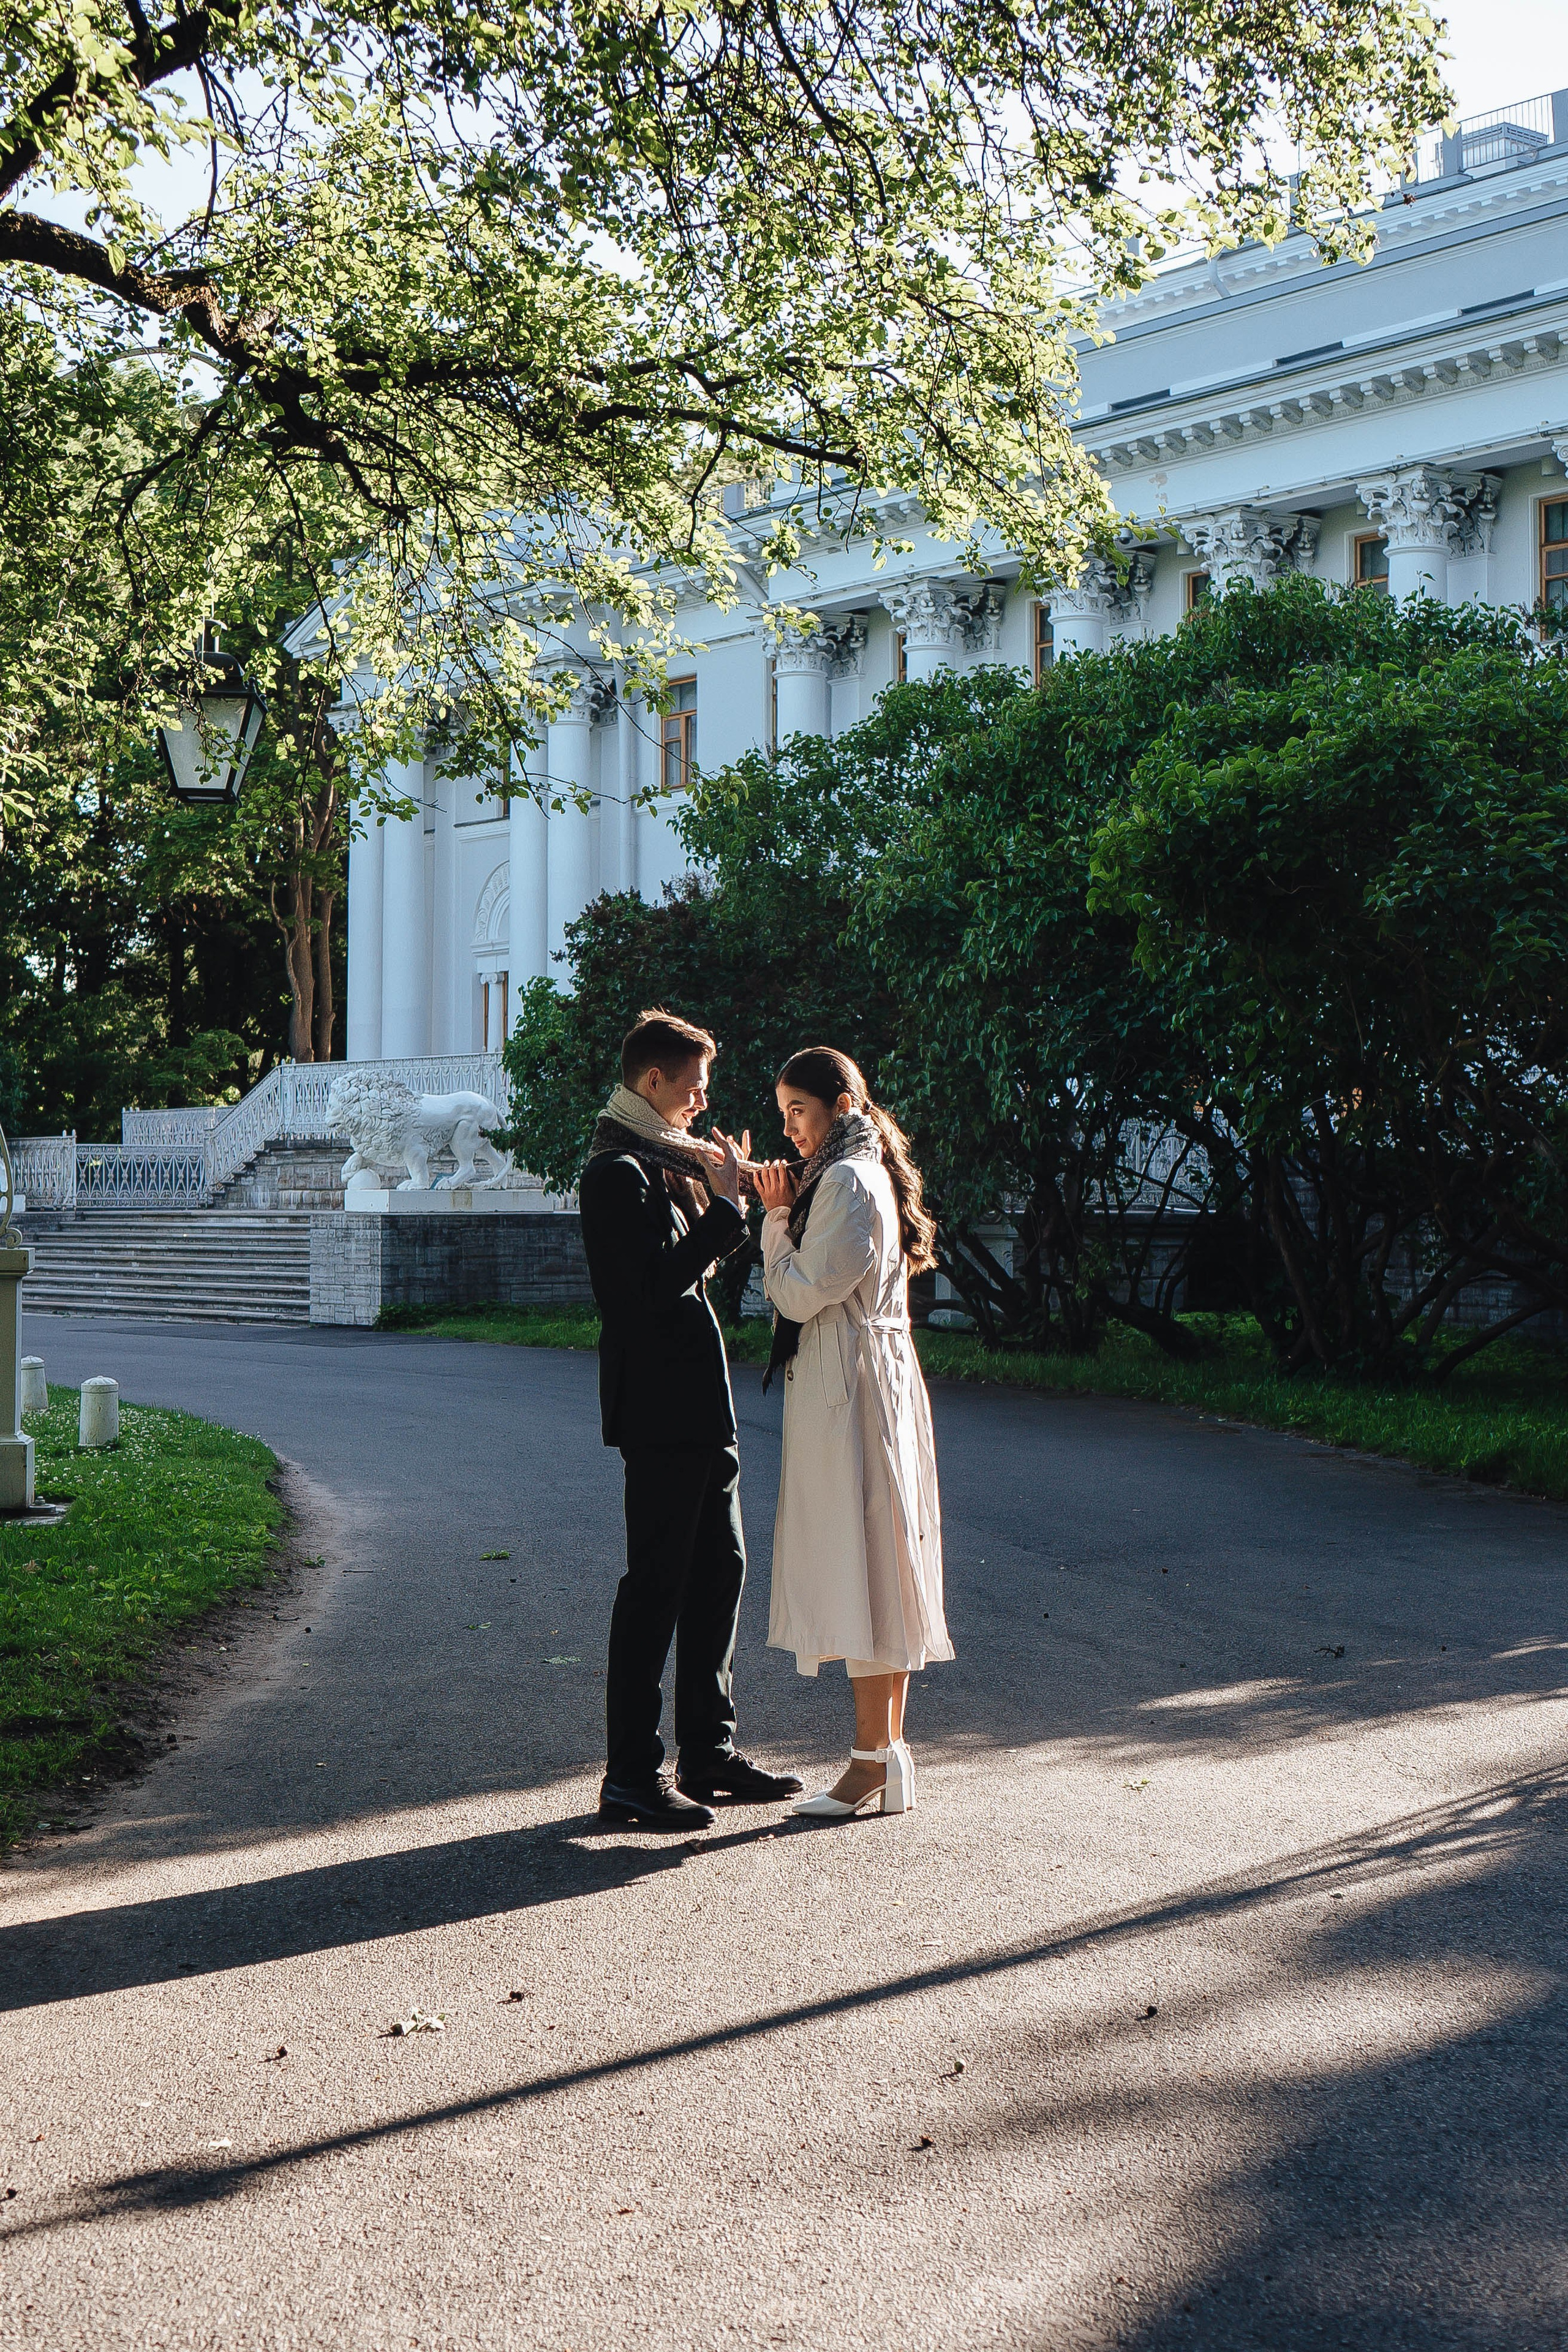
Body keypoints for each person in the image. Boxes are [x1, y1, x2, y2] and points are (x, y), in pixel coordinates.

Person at [578, 1008, 804, 1831]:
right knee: (655, 1590)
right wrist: (720, 1210)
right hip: (660, 1413)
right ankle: (630, 1774)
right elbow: (641, 1297)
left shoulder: (665, 1164)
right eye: (694, 1087)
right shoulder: (617, 1175)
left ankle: (708, 1754)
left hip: (702, 1412)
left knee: (721, 1574)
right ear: (653, 1082)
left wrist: (730, 1202)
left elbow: (694, 1265)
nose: (702, 1104)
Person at [752, 1046, 952, 1819]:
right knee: (882, 1564)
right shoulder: (859, 1170)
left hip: (852, 1388)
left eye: (797, 1111)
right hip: (874, 1379)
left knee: (864, 1568)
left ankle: (873, 1758)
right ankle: (887, 1752)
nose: (789, 1129)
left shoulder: (844, 1179)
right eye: (783, 1116)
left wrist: (774, 1218)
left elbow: (800, 1295)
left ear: (839, 1105)